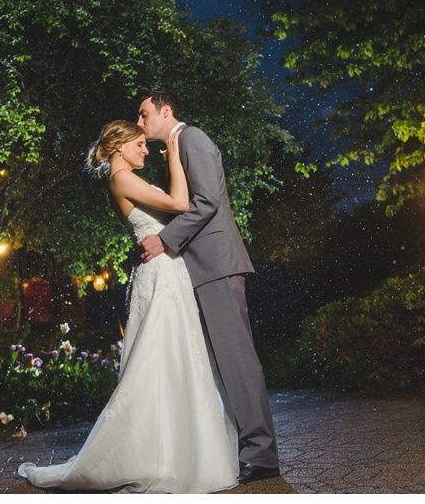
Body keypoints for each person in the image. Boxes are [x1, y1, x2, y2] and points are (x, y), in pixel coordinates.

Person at [17, 120, 239, 493]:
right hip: (160, 277)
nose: (146, 150)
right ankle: (152, 456)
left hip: (167, 273)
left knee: (177, 359)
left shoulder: (127, 178)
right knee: (156, 361)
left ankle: (181, 451)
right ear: (120, 147)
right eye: (140, 145)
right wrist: (174, 159)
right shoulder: (121, 179)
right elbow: (180, 204)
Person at [136, 91, 280, 483]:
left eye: (145, 113)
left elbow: (208, 201)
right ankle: (243, 448)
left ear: (167, 111)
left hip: (217, 264)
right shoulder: (175, 147)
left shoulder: (193, 138)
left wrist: (164, 239)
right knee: (220, 363)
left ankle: (262, 454)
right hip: (201, 269)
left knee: (237, 361)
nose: (140, 121)